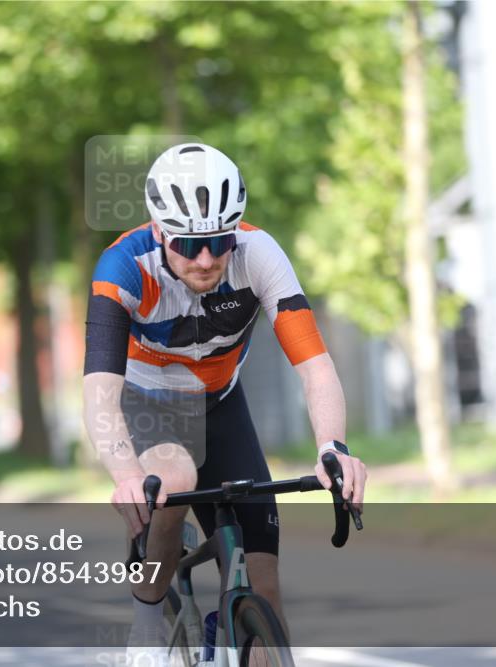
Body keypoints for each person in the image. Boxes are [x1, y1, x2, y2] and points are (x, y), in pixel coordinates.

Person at [82, 143, 367, 661]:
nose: (208, 259)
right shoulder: (121, 267)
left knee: (266, 587)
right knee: (174, 483)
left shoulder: (260, 254)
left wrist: (333, 446)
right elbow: (100, 394)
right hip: (149, 406)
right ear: (159, 231)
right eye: (190, 245)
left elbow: (315, 367)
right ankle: (147, 620)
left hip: (221, 403)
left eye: (218, 240)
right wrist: (125, 474)